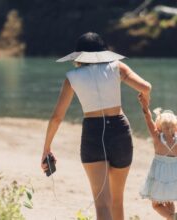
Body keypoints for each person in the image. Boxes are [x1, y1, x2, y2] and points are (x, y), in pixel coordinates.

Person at [40, 32, 151, 220]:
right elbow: (145, 87)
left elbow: (57, 117)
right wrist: (145, 102)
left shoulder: (72, 77)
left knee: (102, 203)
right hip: (120, 131)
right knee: (117, 201)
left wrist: (46, 148)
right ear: (103, 52)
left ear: (79, 56)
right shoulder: (117, 67)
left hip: (93, 133)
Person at [138, 93, 177, 220]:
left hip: (160, 173)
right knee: (169, 200)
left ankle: (171, 217)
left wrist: (144, 105)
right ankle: (172, 216)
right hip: (176, 173)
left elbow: (148, 119)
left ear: (158, 125)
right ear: (176, 125)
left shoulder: (156, 136)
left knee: (156, 204)